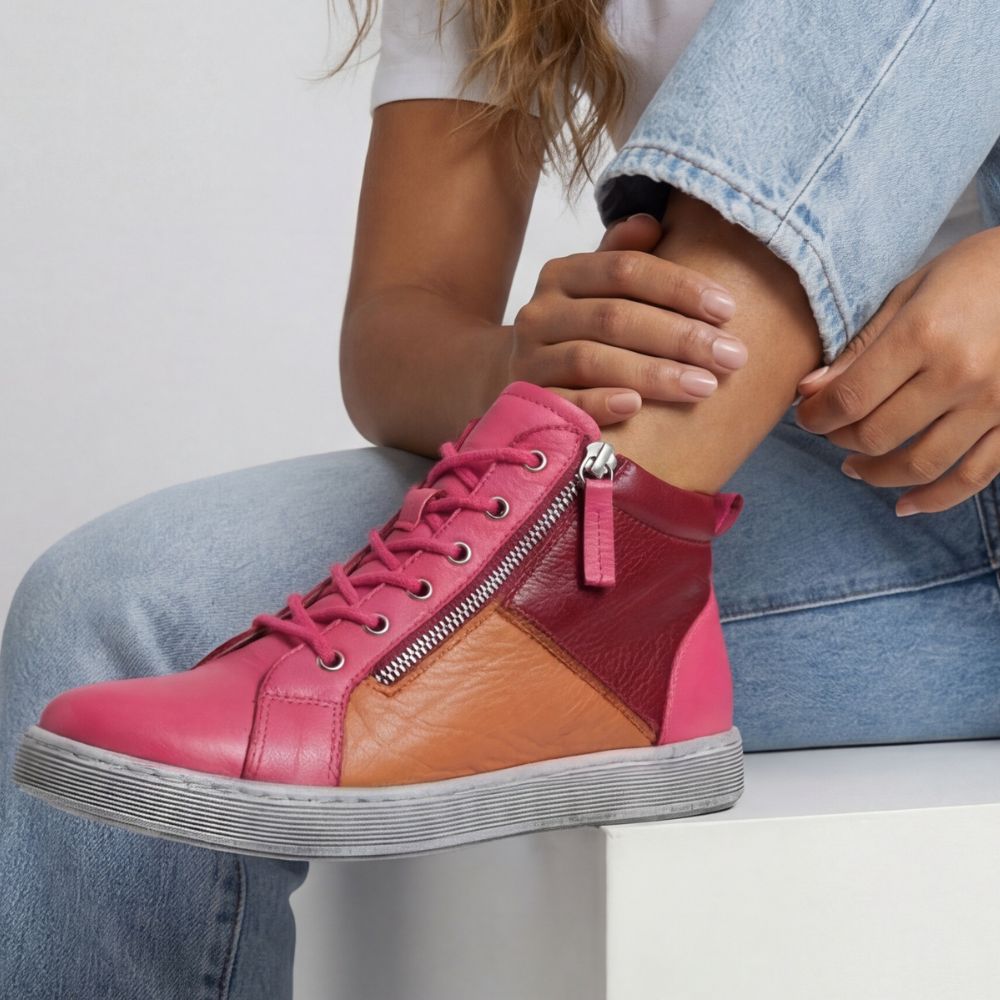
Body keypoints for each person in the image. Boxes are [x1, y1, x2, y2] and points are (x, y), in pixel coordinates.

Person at [4, 1, 1000, 996]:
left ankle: (560, 583)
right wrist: (518, 367)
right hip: (780, 455)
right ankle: (565, 570)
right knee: (114, 612)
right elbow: (399, 323)